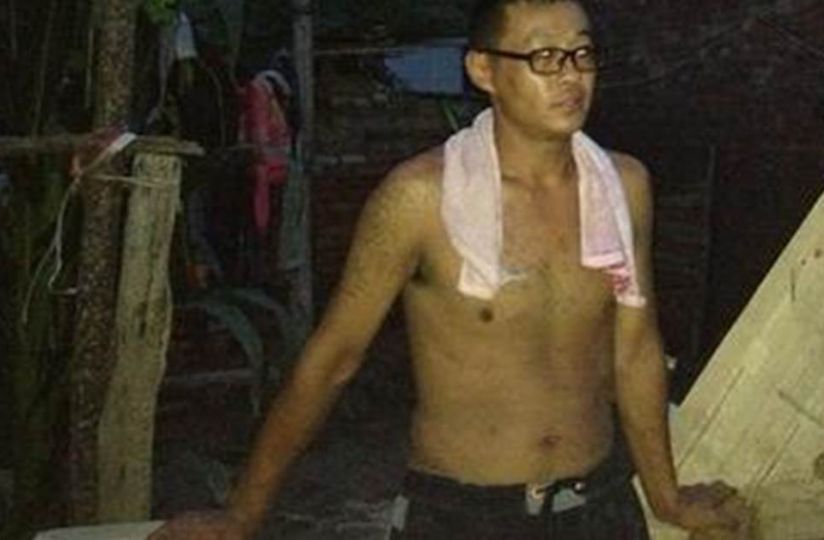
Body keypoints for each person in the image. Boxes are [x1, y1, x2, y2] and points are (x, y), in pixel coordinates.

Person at [150, 1, 746, 538]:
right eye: (543, 57)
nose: (570, 76)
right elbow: (333, 357)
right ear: (483, 70)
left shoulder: (623, 187)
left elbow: (636, 350)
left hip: (598, 503)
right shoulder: (420, 199)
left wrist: (666, 497)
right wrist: (243, 512)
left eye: (582, 54)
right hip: (463, 514)